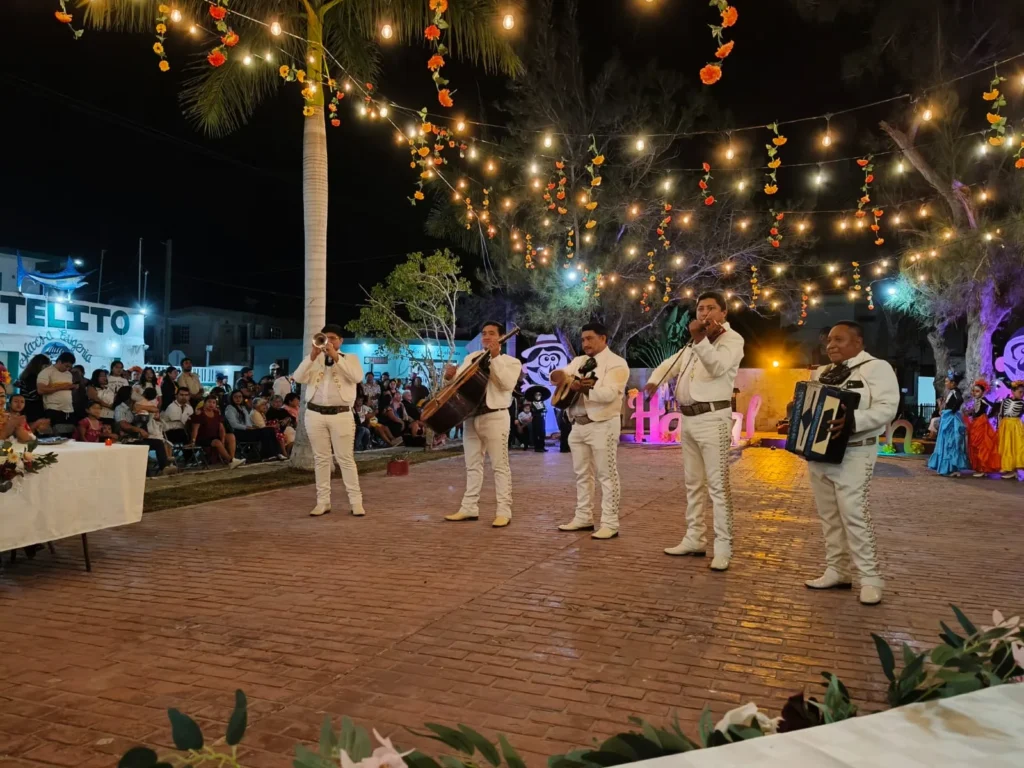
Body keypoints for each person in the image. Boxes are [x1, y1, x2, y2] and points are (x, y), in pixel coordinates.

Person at [802, 321, 899, 606]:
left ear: (858, 342)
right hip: (819, 454)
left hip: (855, 452)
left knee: (854, 514)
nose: (831, 345)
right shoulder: (823, 372)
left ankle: (870, 578)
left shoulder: (876, 368)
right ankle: (838, 571)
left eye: (839, 340)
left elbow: (887, 407)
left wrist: (853, 422)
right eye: (829, 340)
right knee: (829, 516)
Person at [646, 291, 744, 570]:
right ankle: (694, 538)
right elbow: (672, 364)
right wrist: (654, 381)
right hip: (688, 420)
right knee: (693, 484)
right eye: (700, 309)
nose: (704, 314)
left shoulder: (732, 340)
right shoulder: (694, 343)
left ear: (724, 313)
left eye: (711, 308)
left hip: (713, 418)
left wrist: (701, 339)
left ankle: (723, 548)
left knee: (718, 487)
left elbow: (716, 367)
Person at [550, 321, 630, 540]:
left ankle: (610, 523)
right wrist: (560, 377)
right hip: (577, 425)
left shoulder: (616, 363)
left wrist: (585, 389)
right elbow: (560, 375)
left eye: (590, 338)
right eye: (583, 339)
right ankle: (583, 517)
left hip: (603, 424)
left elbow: (609, 395)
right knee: (582, 475)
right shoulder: (578, 361)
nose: (585, 343)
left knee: (607, 475)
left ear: (603, 338)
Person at [443, 321, 522, 528]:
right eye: (484, 333)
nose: (486, 337)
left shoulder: (511, 362)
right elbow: (458, 386)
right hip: (471, 418)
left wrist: (494, 357)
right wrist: (449, 377)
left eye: (491, 334)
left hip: (495, 416)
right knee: (472, 466)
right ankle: (469, 507)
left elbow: (505, 383)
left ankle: (504, 510)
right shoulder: (471, 358)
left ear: (501, 338)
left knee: (500, 466)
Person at [292, 323, 367, 517]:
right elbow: (298, 377)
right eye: (326, 337)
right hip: (314, 414)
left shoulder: (350, 358)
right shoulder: (314, 360)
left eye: (333, 338)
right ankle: (322, 501)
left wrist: (335, 357)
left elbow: (357, 376)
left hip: (341, 414)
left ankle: (356, 502)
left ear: (341, 341)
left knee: (345, 459)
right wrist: (312, 356)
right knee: (321, 459)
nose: (329, 341)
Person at [113, 386, 176, 475]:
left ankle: (164, 467)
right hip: (127, 438)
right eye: (133, 392)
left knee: (158, 443)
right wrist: (139, 430)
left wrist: (140, 406)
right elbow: (123, 425)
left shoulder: (136, 405)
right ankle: (145, 473)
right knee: (143, 445)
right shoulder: (120, 408)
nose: (136, 394)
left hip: (139, 437)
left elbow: (155, 409)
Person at [927, 372, 969, 478]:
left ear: (953, 383)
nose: (945, 383)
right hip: (947, 418)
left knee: (951, 442)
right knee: (946, 442)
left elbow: (960, 400)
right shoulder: (951, 392)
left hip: (951, 419)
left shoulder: (956, 391)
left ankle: (953, 467)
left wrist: (952, 411)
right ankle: (948, 467)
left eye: (947, 381)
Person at [225, 390, 285, 461]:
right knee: (265, 431)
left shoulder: (243, 408)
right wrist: (247, 427)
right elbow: (234, 424)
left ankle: (276, 453)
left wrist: (251, 426)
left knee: (270, 430)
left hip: (247, 431)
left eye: (240, 397)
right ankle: (267, 455)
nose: (238, 399)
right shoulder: (230, 408)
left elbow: (248, 422)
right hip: (238, 432)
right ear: (232, 398)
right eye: (235, 397)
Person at [190, 396, 245, 468]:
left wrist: (223, 439)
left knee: (231, 436)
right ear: (205, 403)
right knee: (217, 442)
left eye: (213, 402)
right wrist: (193, 441)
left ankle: (232, 459)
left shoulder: (216, 413)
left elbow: (221, 428)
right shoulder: (199, 413)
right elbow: (195, 429)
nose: (211, 404)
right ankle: (231, 461)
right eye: (209, 402)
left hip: (215, 436)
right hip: (203, 438)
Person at [965, 379, 1001, 478]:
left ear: (983, 392)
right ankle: (979, 468)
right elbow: (976, 411)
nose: (975, 393)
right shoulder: (977, 400)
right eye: (974, 391)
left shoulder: (984, 399)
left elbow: (994, 406)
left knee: (982, 446)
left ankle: (983, 468)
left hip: (981, 423)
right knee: (976, 445)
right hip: (975, 423)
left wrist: (988, 415)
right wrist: (971, 413)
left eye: (977, 391)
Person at [37, 352, 79, 430]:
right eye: (66, 366)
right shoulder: (47, 372)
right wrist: (62, 387)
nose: (67, 369)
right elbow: (41, 390)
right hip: (53, 409)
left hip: (69, 410)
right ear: (59, 362)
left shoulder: (68, 374)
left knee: (68, 436)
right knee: (55, 436)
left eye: (70, 367)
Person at [997, 380, 1024, 480]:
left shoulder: (1022, 403)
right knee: (1006, 447)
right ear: (1012, 391)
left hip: (1015, 427)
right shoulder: (1005, 401)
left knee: (1015, 447)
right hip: (1005, 425)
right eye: (1020, 392)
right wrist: (999, 427)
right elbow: (1000, 414)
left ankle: (1014, 470)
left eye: (1023, 392)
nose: (1022, 394)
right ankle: (1007, 466)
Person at [15, 354, 51, 425]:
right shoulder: (32, 378)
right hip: (32, 411)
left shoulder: (28, 376)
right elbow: (34, 395)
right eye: (46, 366)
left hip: (30, 410)